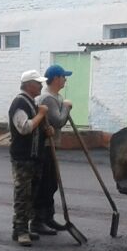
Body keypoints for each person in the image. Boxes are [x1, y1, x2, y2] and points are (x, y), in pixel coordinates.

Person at [8, 70, 50, 246]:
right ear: (28, 85)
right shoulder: (20, 103)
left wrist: (46, 131)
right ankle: (20, 230)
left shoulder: (32, 103)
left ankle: (23, 227)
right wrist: (40, 115)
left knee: (31, 194)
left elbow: (35, 129)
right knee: (22, 194)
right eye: (38, 83)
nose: (41, 86)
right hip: (23, 157)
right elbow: (24, 128)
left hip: (34, 157)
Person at [33, 64, 74, 234]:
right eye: (64, 77)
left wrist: (64, 105)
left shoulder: (56, 97)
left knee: (51, 184)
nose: (65, 80)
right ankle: (38, 221)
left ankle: (48, 218)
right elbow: (58, 121)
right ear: (56, 78)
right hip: (45, 147)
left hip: (51, 145)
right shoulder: (48, 98)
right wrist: (67, 107)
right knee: (45, 184)